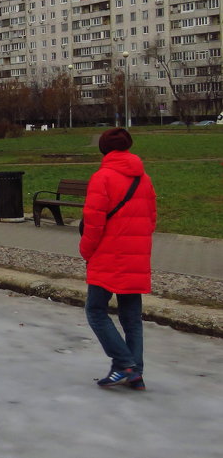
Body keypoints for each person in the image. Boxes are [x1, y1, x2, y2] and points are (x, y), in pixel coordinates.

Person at [80, 127, 156, 390]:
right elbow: (151, 219)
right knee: (132, 318)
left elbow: (93, 223)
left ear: (103, 149)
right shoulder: (143, 178)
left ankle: (124, 364)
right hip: (136, 257)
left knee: (95, 311)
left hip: (108, 255)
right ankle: (136, 373)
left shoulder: (102, 177)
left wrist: (86, 251)